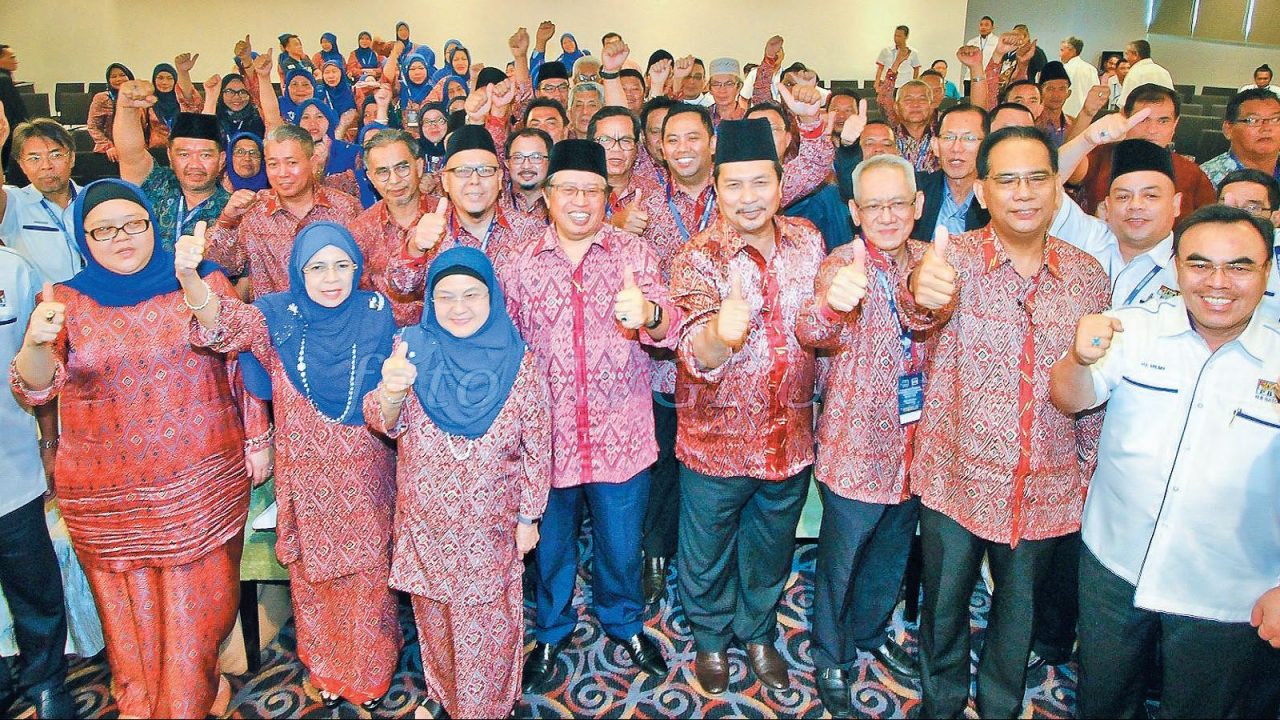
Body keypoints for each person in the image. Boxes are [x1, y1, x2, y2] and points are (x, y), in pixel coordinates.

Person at [9, 179, 250, 718]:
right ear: (83, 238)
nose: (121, 237)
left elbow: (239, 349)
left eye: (133, 224)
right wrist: (35, 344)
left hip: (199, 483)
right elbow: (36, 388)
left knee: (195, 613)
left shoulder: (198, 279)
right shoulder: (63, 301)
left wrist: (258, 440)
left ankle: (184, 703)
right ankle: (144, 698)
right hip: (105, 494)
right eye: (103, 230)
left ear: (152, 224)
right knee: (128, 620)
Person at [902, 127, 1110, 718]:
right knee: (944, 608)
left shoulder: (1087, 275)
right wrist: (921, 290)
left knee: (1018, 615)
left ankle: (1000, 704)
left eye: (1037, 178)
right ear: (983, 191)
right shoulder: (951, 260)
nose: (1023, 193)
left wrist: (1086, 473)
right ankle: (940, 702)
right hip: (955, 478)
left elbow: (1095, 383)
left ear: (1057, 187)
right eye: (1008, 180)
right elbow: (919, 310)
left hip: (1044, 484)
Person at [1048, 204, 1280, 719]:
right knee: (1104, 699)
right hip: (1115, 562)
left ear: (1267, 270)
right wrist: (1077, 360)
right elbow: (1069, 398)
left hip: (1227, 590)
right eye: (1199, 264)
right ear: (1176, 267)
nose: (1217, 282)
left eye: (1239, 266)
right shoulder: (1134, 329)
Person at [183, 220, 401, 711]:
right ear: (298, 271)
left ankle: (371, 670)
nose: (331, 278)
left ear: (357, 268)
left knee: (368, 579)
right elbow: (220, 326)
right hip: (305, 475)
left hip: (367, 472)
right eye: (317, 267)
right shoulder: (278, 316)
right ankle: (326, 667)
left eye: (342, 265)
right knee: (314, 579)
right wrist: (190, 278)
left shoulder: (375, 312)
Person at [497, 139, 672, 694]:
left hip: (621, 435)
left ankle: (624, 623)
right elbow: (504, 348)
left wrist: (649, 313)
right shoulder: (519, 262)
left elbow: (669, 325)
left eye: (592, 191)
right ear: (548, 196)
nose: (580, 201)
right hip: (545, 440)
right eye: (568, 190)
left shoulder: (634, 255)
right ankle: (551, 629)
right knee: (551, 548)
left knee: (621, 545)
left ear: (607, 196)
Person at [668, 118, 825, 696]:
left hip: (790, 439)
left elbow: (821, 329)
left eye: (760, 182)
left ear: (781, 184)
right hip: (716, 445)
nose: (748, 197)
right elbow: (692, 350)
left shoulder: (808, 240)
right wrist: (720, 334)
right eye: (733, 184)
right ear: (717, 188)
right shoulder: (696, 257)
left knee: (771, 546)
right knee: (706, 552)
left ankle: (757, 631)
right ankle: (710, 637)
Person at [367, 246, 550, 719]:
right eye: (445, 296)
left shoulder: (519, 362)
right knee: (434, 620)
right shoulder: (410, 348)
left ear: (493, 298)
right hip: (426, 523)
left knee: (489, 624)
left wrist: (530, 517)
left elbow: (538, 446)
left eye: (472, 295)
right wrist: (392, 392)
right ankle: (445, 696)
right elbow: (383, 420)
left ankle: (488, 707)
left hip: (490, 528)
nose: (459, 307)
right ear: (430, 300)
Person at [797, 154, 929, 715]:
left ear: (918, 205)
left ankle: (872, 631)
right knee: (841, 561)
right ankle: (830, 654)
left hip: (918, 446)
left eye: (897, 203)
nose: (887, 216)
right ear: (854, 211)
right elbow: (810, 328)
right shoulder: (840, 264)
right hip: (855, 446)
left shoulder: (932, 262)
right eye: (874, 206)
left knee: (892, 553)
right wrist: (832, 306)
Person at [0, 247, 75, 719]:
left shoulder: (13, 270)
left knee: (32, 583)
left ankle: (46, 681)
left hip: (10, 461)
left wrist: (50, 442)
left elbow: (43, 358)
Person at [206, 123, 361, 299]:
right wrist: (227, 220)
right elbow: (221, 265)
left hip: (335, 311)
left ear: (312, 162)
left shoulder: (345, 208)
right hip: (272, 315)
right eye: (273, 164)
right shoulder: (253, 211)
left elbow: (364, 270)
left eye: (291, 163)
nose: (282, 173)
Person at [114, 81, 230, 254]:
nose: (195, 165)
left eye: (205, 155)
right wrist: (127, 109)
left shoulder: (232, 210)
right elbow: (130, 154)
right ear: (169, 155)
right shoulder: (157, 184)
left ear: (222, 160)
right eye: (184, 155)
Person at [1068, 83, 1217, 218]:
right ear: (1125, 118)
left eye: (1163, 121)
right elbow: (1069, 172)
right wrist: (1086, 114)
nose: (1152, 130)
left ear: (1175, 124)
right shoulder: (1101, 156)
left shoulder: (1191, 173)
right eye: (1143, 120)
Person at [350, 129, 435, 327]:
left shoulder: (446, 216)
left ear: (419, 167)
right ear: (370, 177)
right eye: (383, 172)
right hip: (385, 337)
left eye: (402, 168)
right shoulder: (360, 230)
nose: (395, 180)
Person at [0, 119, 84, 283]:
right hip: (39, 298)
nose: (46, 166)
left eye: (55, 155)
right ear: (21, 165)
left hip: (96, 297)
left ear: (72, 158)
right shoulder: (13, 203)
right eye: (34, 158)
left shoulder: (93, 200)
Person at [912, 104, 990, 239]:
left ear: (988, 146)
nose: (956, 148)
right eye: (948, 138)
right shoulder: (915, 190)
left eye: (969, 138)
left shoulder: (996, 198)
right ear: (935, 146)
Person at [1200, 88, 1280, 186]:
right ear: (1228, 129)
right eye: (1253, 120)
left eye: (1276, 119)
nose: (1266, 128)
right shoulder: (1204, 179)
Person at [147, 56, 204, 148]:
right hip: (157, 150)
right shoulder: (147, 102)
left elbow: (192, 101)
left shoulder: (181, 100)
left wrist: (183, 72)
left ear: (175, 80)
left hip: (184, 148)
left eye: (169, 78)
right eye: (160, 78)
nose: (164, 82)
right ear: (154, 80)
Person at [501, 127, 553, 224]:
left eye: (536, 157)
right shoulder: (494, 203)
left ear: (550, 162)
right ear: (507, 163)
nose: (526, 166)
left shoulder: (560, 204)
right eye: (518, 157)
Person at [86, 63, 136, 160]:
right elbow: (93, 126)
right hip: (111, 152)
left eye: (122, 75)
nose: (118, 79)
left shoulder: (137, 98)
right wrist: (108, 146)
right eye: (113, 76)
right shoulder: (102, 98)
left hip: (134, 150)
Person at [211, 74, 266, 146]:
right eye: (230, 92)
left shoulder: (259, 116)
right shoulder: (212, 115)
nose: (236, 97)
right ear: (221, 94)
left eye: (243, 92)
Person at [1118, 40, 1173, 108]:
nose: (1125, 58)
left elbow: (1125, 105)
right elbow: (1172, 101)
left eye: (1127, 54)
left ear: (1136, 54)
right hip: (1164, 113)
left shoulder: (1134, 74)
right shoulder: (1164, 72)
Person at [0, 45, 27, 176]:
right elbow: (13, 109)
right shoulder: (3, 79)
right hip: (10, 132)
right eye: (11, 57)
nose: (15, 61)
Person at [1036, 61, 1073, 147]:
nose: (1056, 95)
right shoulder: (1032, 123)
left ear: (1068, 93)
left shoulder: (1074, 124)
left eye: (1062, 89)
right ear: (1040, 92)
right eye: (1050, 89)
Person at [1059, 37, 1098, 117]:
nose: (1059, 54)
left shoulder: (1063, 69)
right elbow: (1096, 94)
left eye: (1062, 50)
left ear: (1072, 51)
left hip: (1065, 114)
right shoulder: (1091, 69)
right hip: (1085, 115)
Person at [964, 16, 998, 82]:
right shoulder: (971, 42)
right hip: (970, 78)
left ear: (993, 27)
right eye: (981, 25)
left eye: (986, 25)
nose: (983, 27)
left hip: (989, 78)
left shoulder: (997, 41)